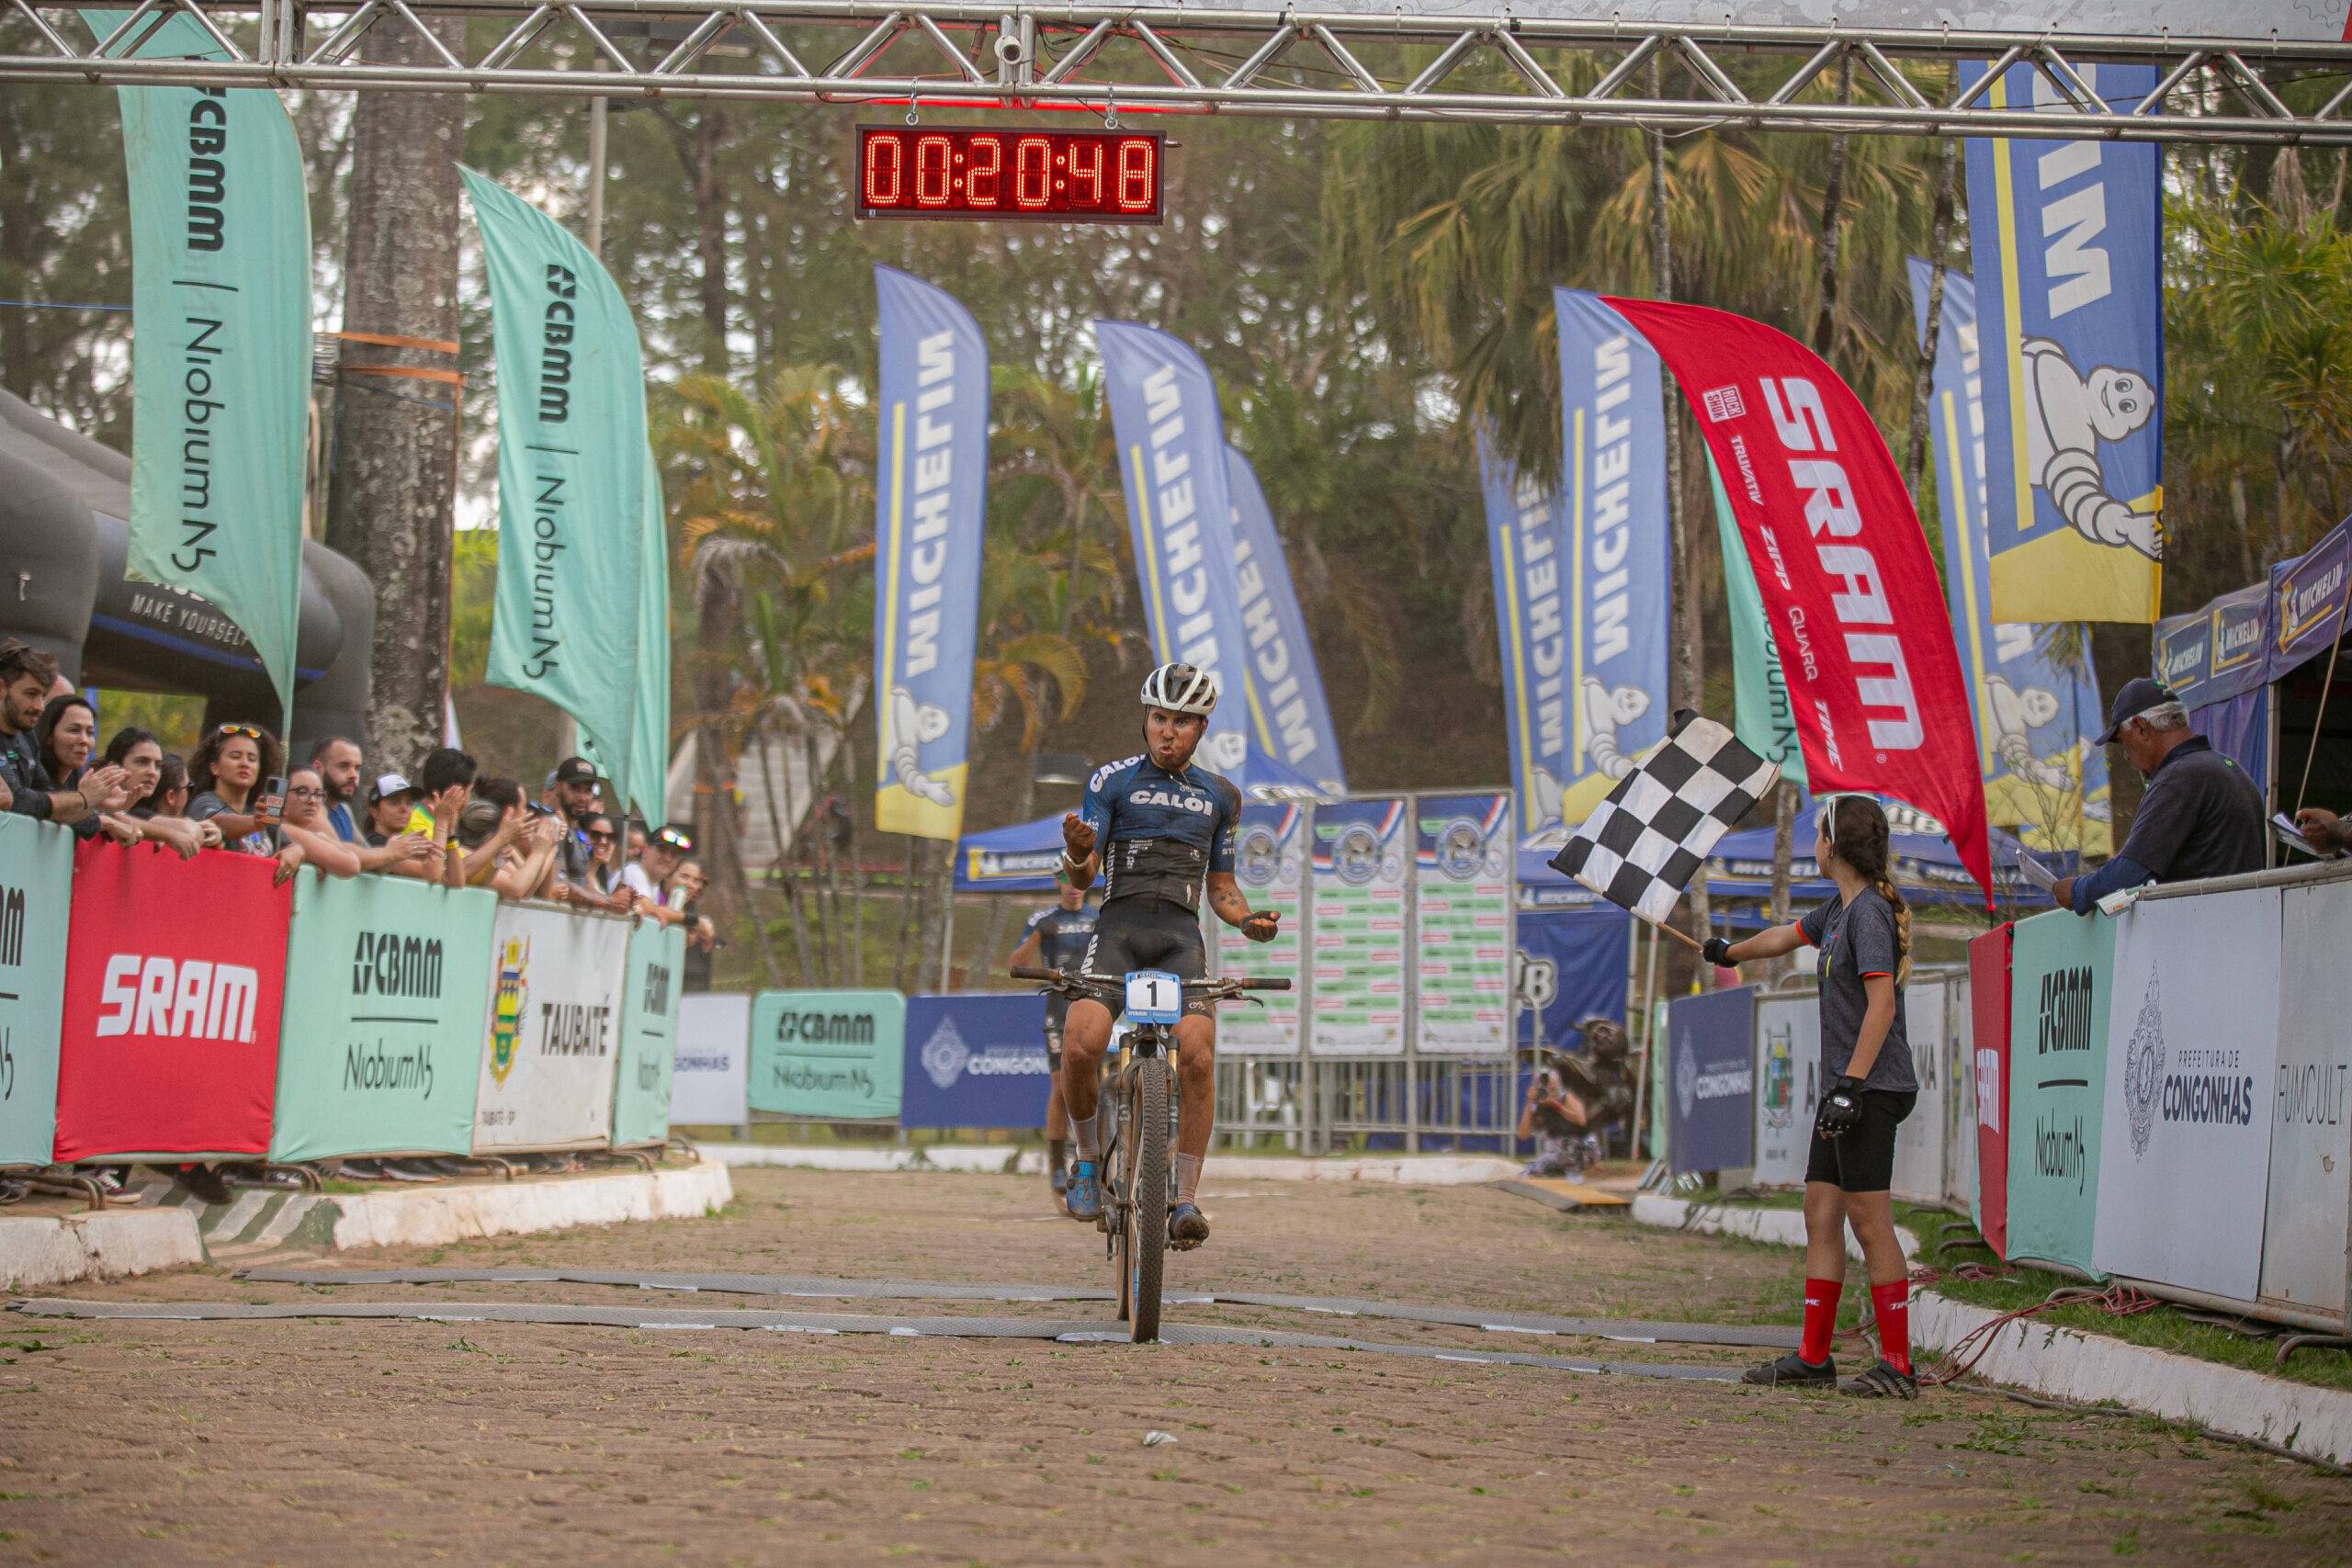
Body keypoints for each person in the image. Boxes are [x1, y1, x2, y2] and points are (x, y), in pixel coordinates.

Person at [1702, 795, 1921, 1400]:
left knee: (1869, 1223)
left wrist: (1850, 1084)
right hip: (1845, 1089)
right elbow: (1784, 936)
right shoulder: (1840, 908)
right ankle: (1814, 1356)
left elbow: (1882, 1004)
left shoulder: (1871, 914)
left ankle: (1899, 1365)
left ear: (1834, 845)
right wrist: (1730, 952)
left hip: (1869, 1089)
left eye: (1817, 834)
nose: (1812, 845)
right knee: (1821, 1213)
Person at [1055, 663, 1281, 1248]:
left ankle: (1185, 1198)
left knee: (1200, 1054)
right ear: (1147, 720)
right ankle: (1084, 1162)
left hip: (1179, 939)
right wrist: (1078, 855)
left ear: (1201, 727)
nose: (1167, 731)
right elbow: (1080, 875)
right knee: (1080, 1042)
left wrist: (1249, 920)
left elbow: (1222, 886)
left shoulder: (1221, 797)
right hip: (1118, 930)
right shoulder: (1112, 782)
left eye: (1181, 721)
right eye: (1158, 718)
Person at [2052, 679, 2266, 914]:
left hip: (2205, 933)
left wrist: (2076, 891)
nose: (2126, 756)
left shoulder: (2179, 777)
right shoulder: (2227, 768)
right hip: (2240, 927)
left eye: (2123, 741)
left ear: (2142, 728)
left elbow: (2128, 873)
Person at [1006, 868, 1099, 1199]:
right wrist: (1037, 936)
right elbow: (1014, 963)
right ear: (1056, 883)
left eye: (1077, 882)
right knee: (1060, 1083)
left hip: (1095, 1003)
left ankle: (1106, 1155)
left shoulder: (1098, 916)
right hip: (1059, 1006)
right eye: (1065, 881)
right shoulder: (1042, 918)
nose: (1072, 888)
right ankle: (1056, 1163)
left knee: (1102, 1080)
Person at [0, 639, 126, 826]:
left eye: (43, 696)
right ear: (1, 688)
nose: (40, 707)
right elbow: (16, 801)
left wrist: (94, 803)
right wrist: (84, 798)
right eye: (30, 694)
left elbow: (49, 798)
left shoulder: (26, 737)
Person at [36, 694, 140, 844]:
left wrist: (102, 806)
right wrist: (104, 820)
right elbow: (44, 808)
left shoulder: (76, 778)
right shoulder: (34, 773)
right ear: (49, 736)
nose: (84, 740)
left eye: (90, 733)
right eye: (73, 730)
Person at [103, 728, 214, 857]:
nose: (152, 772)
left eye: (158, 765)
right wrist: (170, 835)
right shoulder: (97, 803)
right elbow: (188, 829)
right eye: (142, 762)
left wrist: (214, 835)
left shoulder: (138, 809)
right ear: (113, 767)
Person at [278, 767, 366, 877]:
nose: (312, 801)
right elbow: (351, 864)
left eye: (318, 794)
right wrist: (325, 839)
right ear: (282, 795)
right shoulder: (284, 828)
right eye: (302, 792)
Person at [668, 857, 719, 989]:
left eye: (700, 882)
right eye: (685, 877)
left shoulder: (696, 912)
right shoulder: (660, 898)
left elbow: (711, 940)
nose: (695, 886)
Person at [307, 737, 365, 843]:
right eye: (344, 766)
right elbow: (342, 853)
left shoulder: (344, 809)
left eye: (357, 768)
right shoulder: (311, 808)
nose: (353, 775)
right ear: (318, 768)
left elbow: (365, 851)